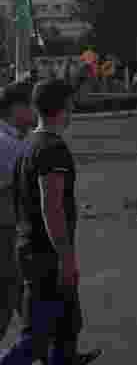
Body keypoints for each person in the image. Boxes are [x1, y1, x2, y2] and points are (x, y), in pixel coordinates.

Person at [1, 80, 102, 365]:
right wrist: (66, 258)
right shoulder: (52, 148)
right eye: (71, 103)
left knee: (66, 327)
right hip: (45, 253)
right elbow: (52, 208)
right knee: (37, 337)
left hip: (30, 246)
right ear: (64, 106)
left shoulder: (27, 145)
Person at [0, 82, 34, 339]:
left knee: (20, 289)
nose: (36, 111)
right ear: (16, 109)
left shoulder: (13, 140)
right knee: (8, 292)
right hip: (4, 228)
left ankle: (52, 348)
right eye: (31, 106)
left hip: (11, 226)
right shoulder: (7, 144)